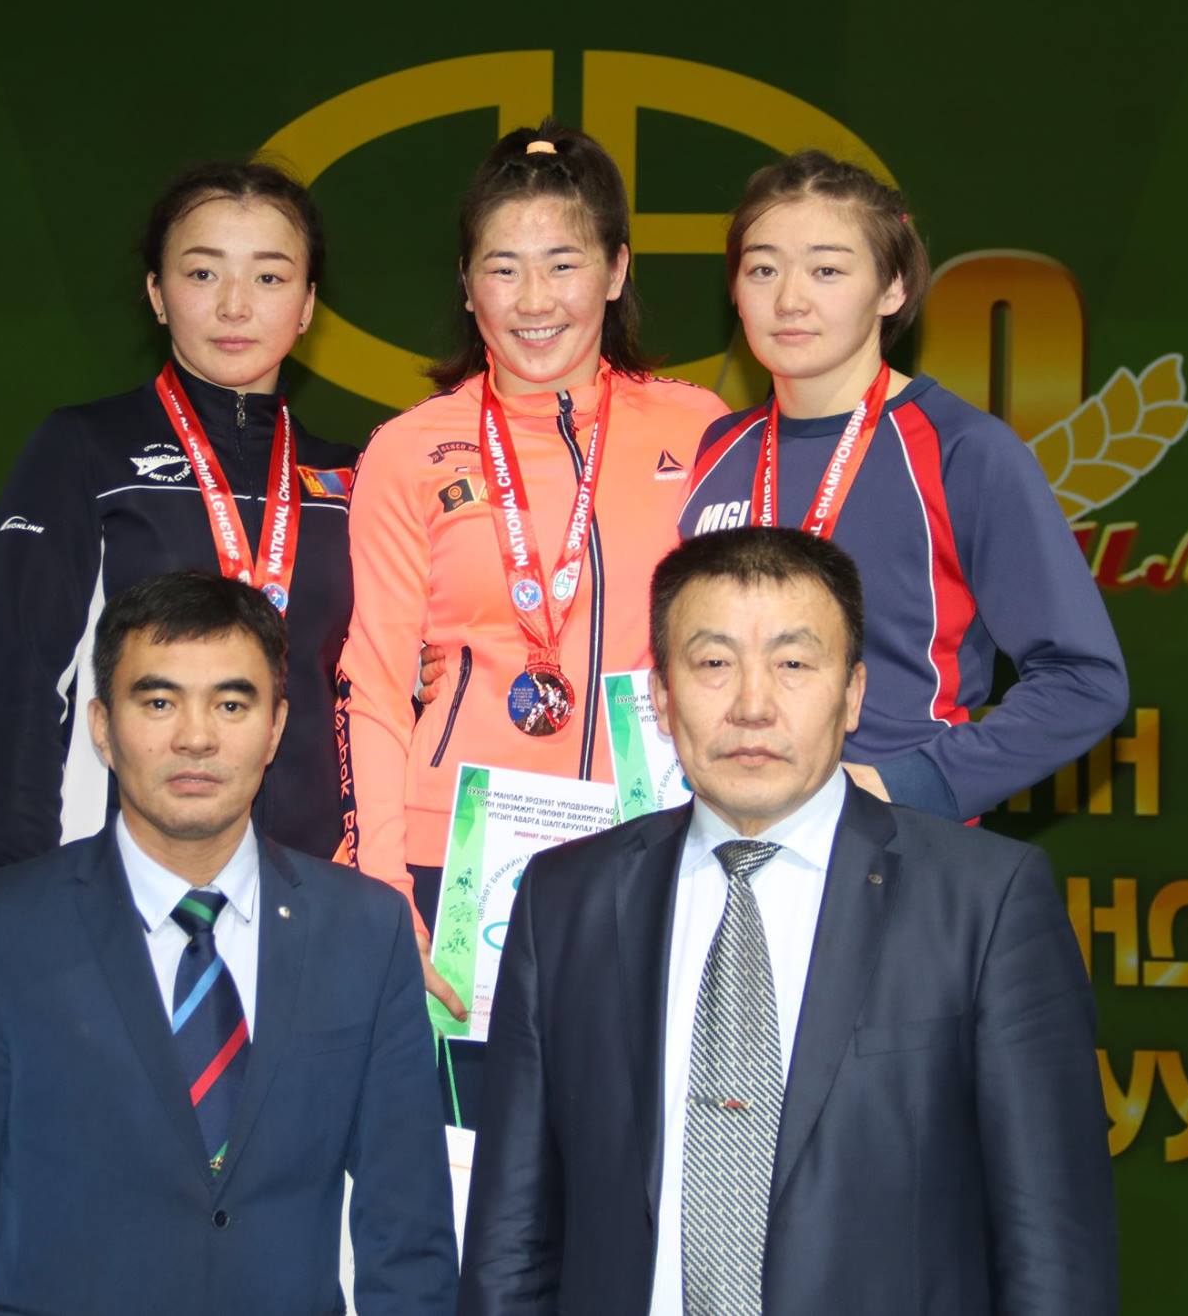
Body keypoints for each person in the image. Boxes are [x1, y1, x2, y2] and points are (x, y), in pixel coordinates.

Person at [459, 526, 1117, 1314]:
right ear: (661, 696)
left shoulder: (985, 901)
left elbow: (1053, 1253)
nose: (752, 705)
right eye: (713, 663)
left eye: (794, 664)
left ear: (854, 693)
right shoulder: (566, 900)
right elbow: (511, 1240)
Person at [0, 572, 457, 1315]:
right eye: (158, 702)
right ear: (101, 725)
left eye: (231, 704)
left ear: (276, 727)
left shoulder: (366, 934)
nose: (195, 737)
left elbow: (409, 1245)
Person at [338, 120, 728, 1019]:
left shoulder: (699, 429)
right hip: (455, 853)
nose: (533, 299)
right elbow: (375, 683)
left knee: (621, 1105)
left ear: (617, 271)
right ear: (466, 284)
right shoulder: (408, 449)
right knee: (471, 1109)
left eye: (563, 262)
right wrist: (382, 885)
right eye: (503, 267)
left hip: (648, 844)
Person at [678, 151, 1127, 820]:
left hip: (896, 843)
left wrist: (910, 784)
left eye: (827, 270)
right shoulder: (717, 449)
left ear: (892, 289)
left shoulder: (962, 451)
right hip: (727, 834)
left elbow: (1085, 680)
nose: (789, 299)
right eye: (763, 269)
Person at [0, 160, 360, 867]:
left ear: (308, 304)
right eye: (203, 273)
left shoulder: (353, 476)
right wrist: (22, 878)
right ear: (157, 293)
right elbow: (23, 680)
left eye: (269, 277)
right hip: (114, 877)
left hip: (312, 879)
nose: (235, 306)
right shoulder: (84, 448)